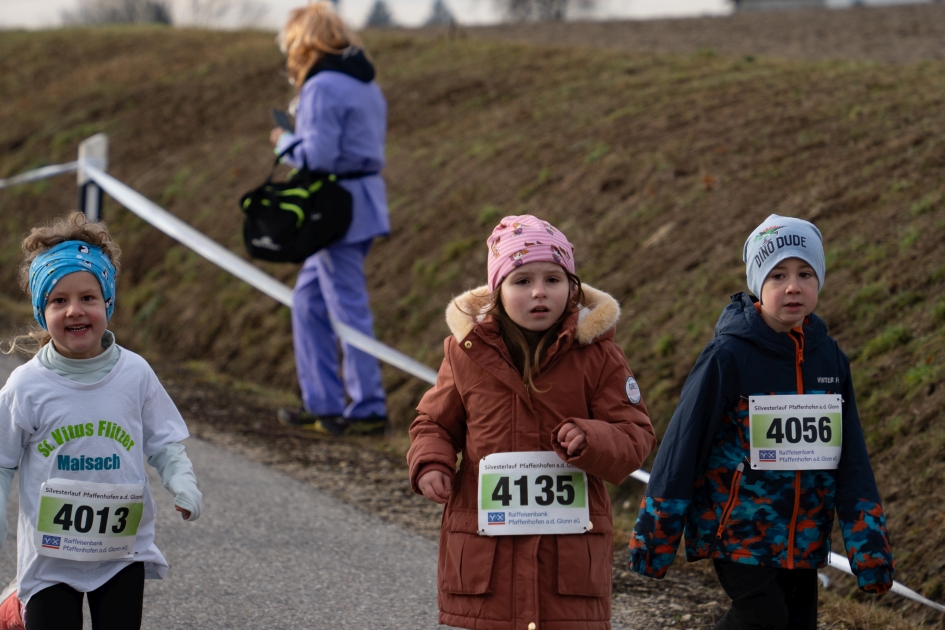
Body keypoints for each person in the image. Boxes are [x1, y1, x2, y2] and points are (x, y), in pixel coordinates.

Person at [629, 215, 895, 629]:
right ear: (757, 284)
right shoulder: (728, 356)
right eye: (777, 275)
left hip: (805, 533)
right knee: (763, 620)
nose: (793, 286)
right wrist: (656, 538)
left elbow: (851, 456)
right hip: (738, 531)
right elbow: (684, 445)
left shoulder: (830, 359)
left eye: (805, 273)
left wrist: (869, 546)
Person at [408, 215, 657, 630]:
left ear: (572, 288)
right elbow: (433, 422)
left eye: (553, 279)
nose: (539, 292)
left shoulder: (599, 355)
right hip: (485, 565)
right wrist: (430, 463)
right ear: (498, 291)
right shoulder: (464, 353)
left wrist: (591, 438)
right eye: (522, 281)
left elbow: (636, 436)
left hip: (568, 563)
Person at [0, 212, 202, 630]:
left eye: (88, 298)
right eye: (59, 300)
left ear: (107, 302)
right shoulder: (26, 386)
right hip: (50, 560)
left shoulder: (135, 373)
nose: (75, 310)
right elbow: (2, 463)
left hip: (118, 553)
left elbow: (163, 442)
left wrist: (182, 482)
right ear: (42, 312)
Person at [270, 2, 390, 436]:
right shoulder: (365, 82)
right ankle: (322, 402)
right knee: (308, 302)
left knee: (347, 307)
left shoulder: (321, 85)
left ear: (303, 40)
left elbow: (317, 156)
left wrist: (285, 140)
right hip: (362, 201)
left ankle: (367, 408)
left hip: (335, 209)